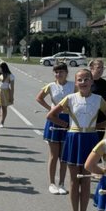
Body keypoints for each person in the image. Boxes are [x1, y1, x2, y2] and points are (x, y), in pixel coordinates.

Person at [48, 68, 106, 211]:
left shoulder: (98, 99)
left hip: (90, 139)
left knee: (87, 180)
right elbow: (51, 116)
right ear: (75, 83)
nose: (83, 82)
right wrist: (66, 125)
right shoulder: (70, 98)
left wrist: (100, 126)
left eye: (86, 79)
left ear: (91, 81)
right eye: (80, 80)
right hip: (74, 139)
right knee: (75, 181)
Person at [36, 63, 75, 195]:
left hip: (68, 120)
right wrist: (50, 109)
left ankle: (62, 183)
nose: (58, 74)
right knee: (54, 155)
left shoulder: (73, 86)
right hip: (54, 120)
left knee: (64, 156)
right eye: (56, 72)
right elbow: (39, 98)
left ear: (66, 73)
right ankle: (52, 183)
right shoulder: (51, 86)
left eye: (61, 72)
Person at [89, 59, 106, 142]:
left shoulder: (104, 83)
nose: (101, 70)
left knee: (98, 144)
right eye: (98, 67)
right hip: (89, 118)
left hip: (102, 119)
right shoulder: (86, 82)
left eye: (102, 67)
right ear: (91, 68)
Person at [0, 61, 15, 127]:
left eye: (0, 68)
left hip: (5, 93)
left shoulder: (11, 75)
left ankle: (2, 122)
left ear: (3, 68)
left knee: (4, 108)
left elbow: (12, 87)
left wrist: (11, 96)